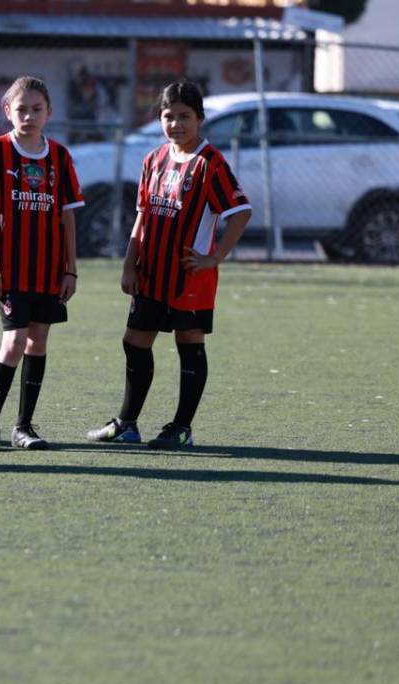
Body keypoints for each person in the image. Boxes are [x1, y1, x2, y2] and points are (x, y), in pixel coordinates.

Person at [86, 81, 251, 450]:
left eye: (184, 116)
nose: (176, 124)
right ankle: (127, 424)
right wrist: (130, 264)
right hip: (150, 273)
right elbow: (142, 217)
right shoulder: (154, 160)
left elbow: (240, 212)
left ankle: (181, 427)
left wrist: (214, 257)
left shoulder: (211, 163)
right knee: (134, 341)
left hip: (189, 276)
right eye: (168, 116)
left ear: (201, 119)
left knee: (189, 343)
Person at [0, 76, 84, 451]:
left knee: (38, 341)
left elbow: (67, 217)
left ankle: (24, 427)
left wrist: (70, 268)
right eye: (21, 109)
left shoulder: (60, 157)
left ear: (49, 112)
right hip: (11, 269)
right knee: (14, 340)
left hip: (49, 270)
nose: (29, 116)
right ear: (7, 111)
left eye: (37, 109)